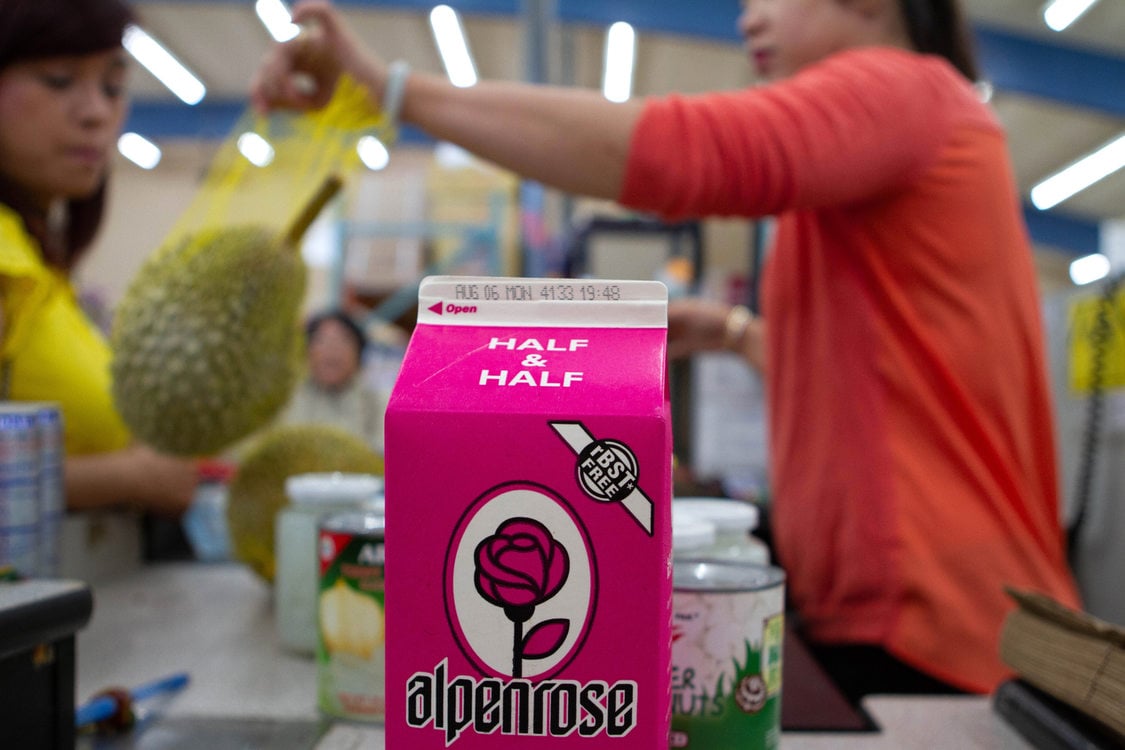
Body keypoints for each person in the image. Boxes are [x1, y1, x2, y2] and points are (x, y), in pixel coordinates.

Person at [251, 0, 1081, 697]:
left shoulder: (900, 89)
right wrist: (728, 331)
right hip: (896, 611)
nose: (747, 13)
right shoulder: (900, 137)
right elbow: (892, 365)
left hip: (934, 625)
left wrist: (393, 89)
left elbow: (675, 152)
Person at [0, 0, 198, 517]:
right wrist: (132, 476)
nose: (95, 113)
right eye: (59, 80)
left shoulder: (36, 262)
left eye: (112, 87)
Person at [276, 309, 384, 453]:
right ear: (307, 351)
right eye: (322, 340)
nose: (332, 349)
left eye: (343, 340)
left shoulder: (377, 403)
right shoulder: (284, 400)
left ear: (358, 354)